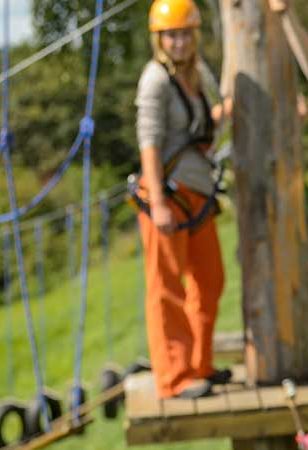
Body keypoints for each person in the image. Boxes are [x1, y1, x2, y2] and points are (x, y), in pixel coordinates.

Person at [134, 0, 229, 400]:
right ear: (159, 39)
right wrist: (156, 201)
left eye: (185, 34)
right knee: (166, 287)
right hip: (166, 195)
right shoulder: (155, 81)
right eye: (171, 35)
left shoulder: (198, 73)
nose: (178, 42)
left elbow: (205, 123)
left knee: (210, 280)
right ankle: (173, 378)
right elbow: (149, 142)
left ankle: (199, 364)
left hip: (196, 195)